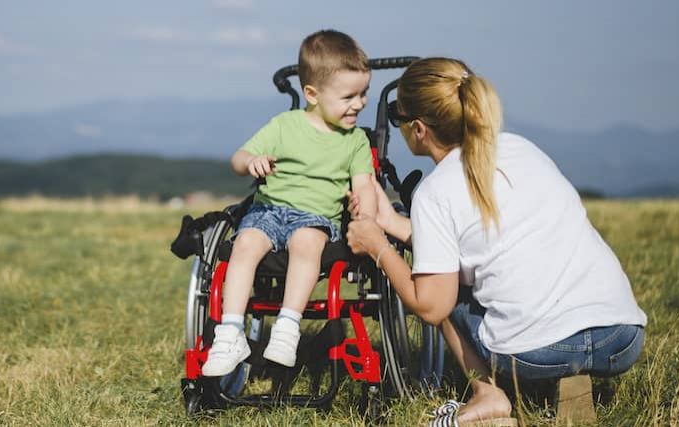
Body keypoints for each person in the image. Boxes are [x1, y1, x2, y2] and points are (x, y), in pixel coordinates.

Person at [346, 57, 647, 426]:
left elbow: (431, 306)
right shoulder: (521, 148)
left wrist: (377, 246)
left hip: (537, 352)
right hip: (621, 337)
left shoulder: (435, 192)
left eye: (399, 118)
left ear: (419, 130)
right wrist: (391, 223)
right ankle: (572, 378)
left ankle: (488, 394)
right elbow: (488, 240)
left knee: (443, 290)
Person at [201, 29, 377, 376]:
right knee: (245, 244)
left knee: (306, 242)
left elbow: (364, 184)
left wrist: (365, 213)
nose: (358, 104)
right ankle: (231, 332)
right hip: (268, 210)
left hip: (315, 218)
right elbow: (239, 157)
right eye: (348, 97)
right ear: (311, 94)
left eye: (364, 94)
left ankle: (287, 326)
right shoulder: (284, 125)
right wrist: (250, 162)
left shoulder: (354, 141)